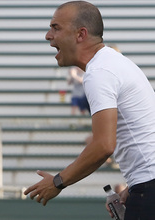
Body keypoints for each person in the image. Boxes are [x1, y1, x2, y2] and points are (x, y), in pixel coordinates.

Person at [23, 1, 155, 219]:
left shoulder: (99, 72)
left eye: (56, 28)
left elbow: (103, 145)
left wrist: (58, 181)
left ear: (80, 34)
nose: (48, 35)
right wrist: (133, 190)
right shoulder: (114, 63)